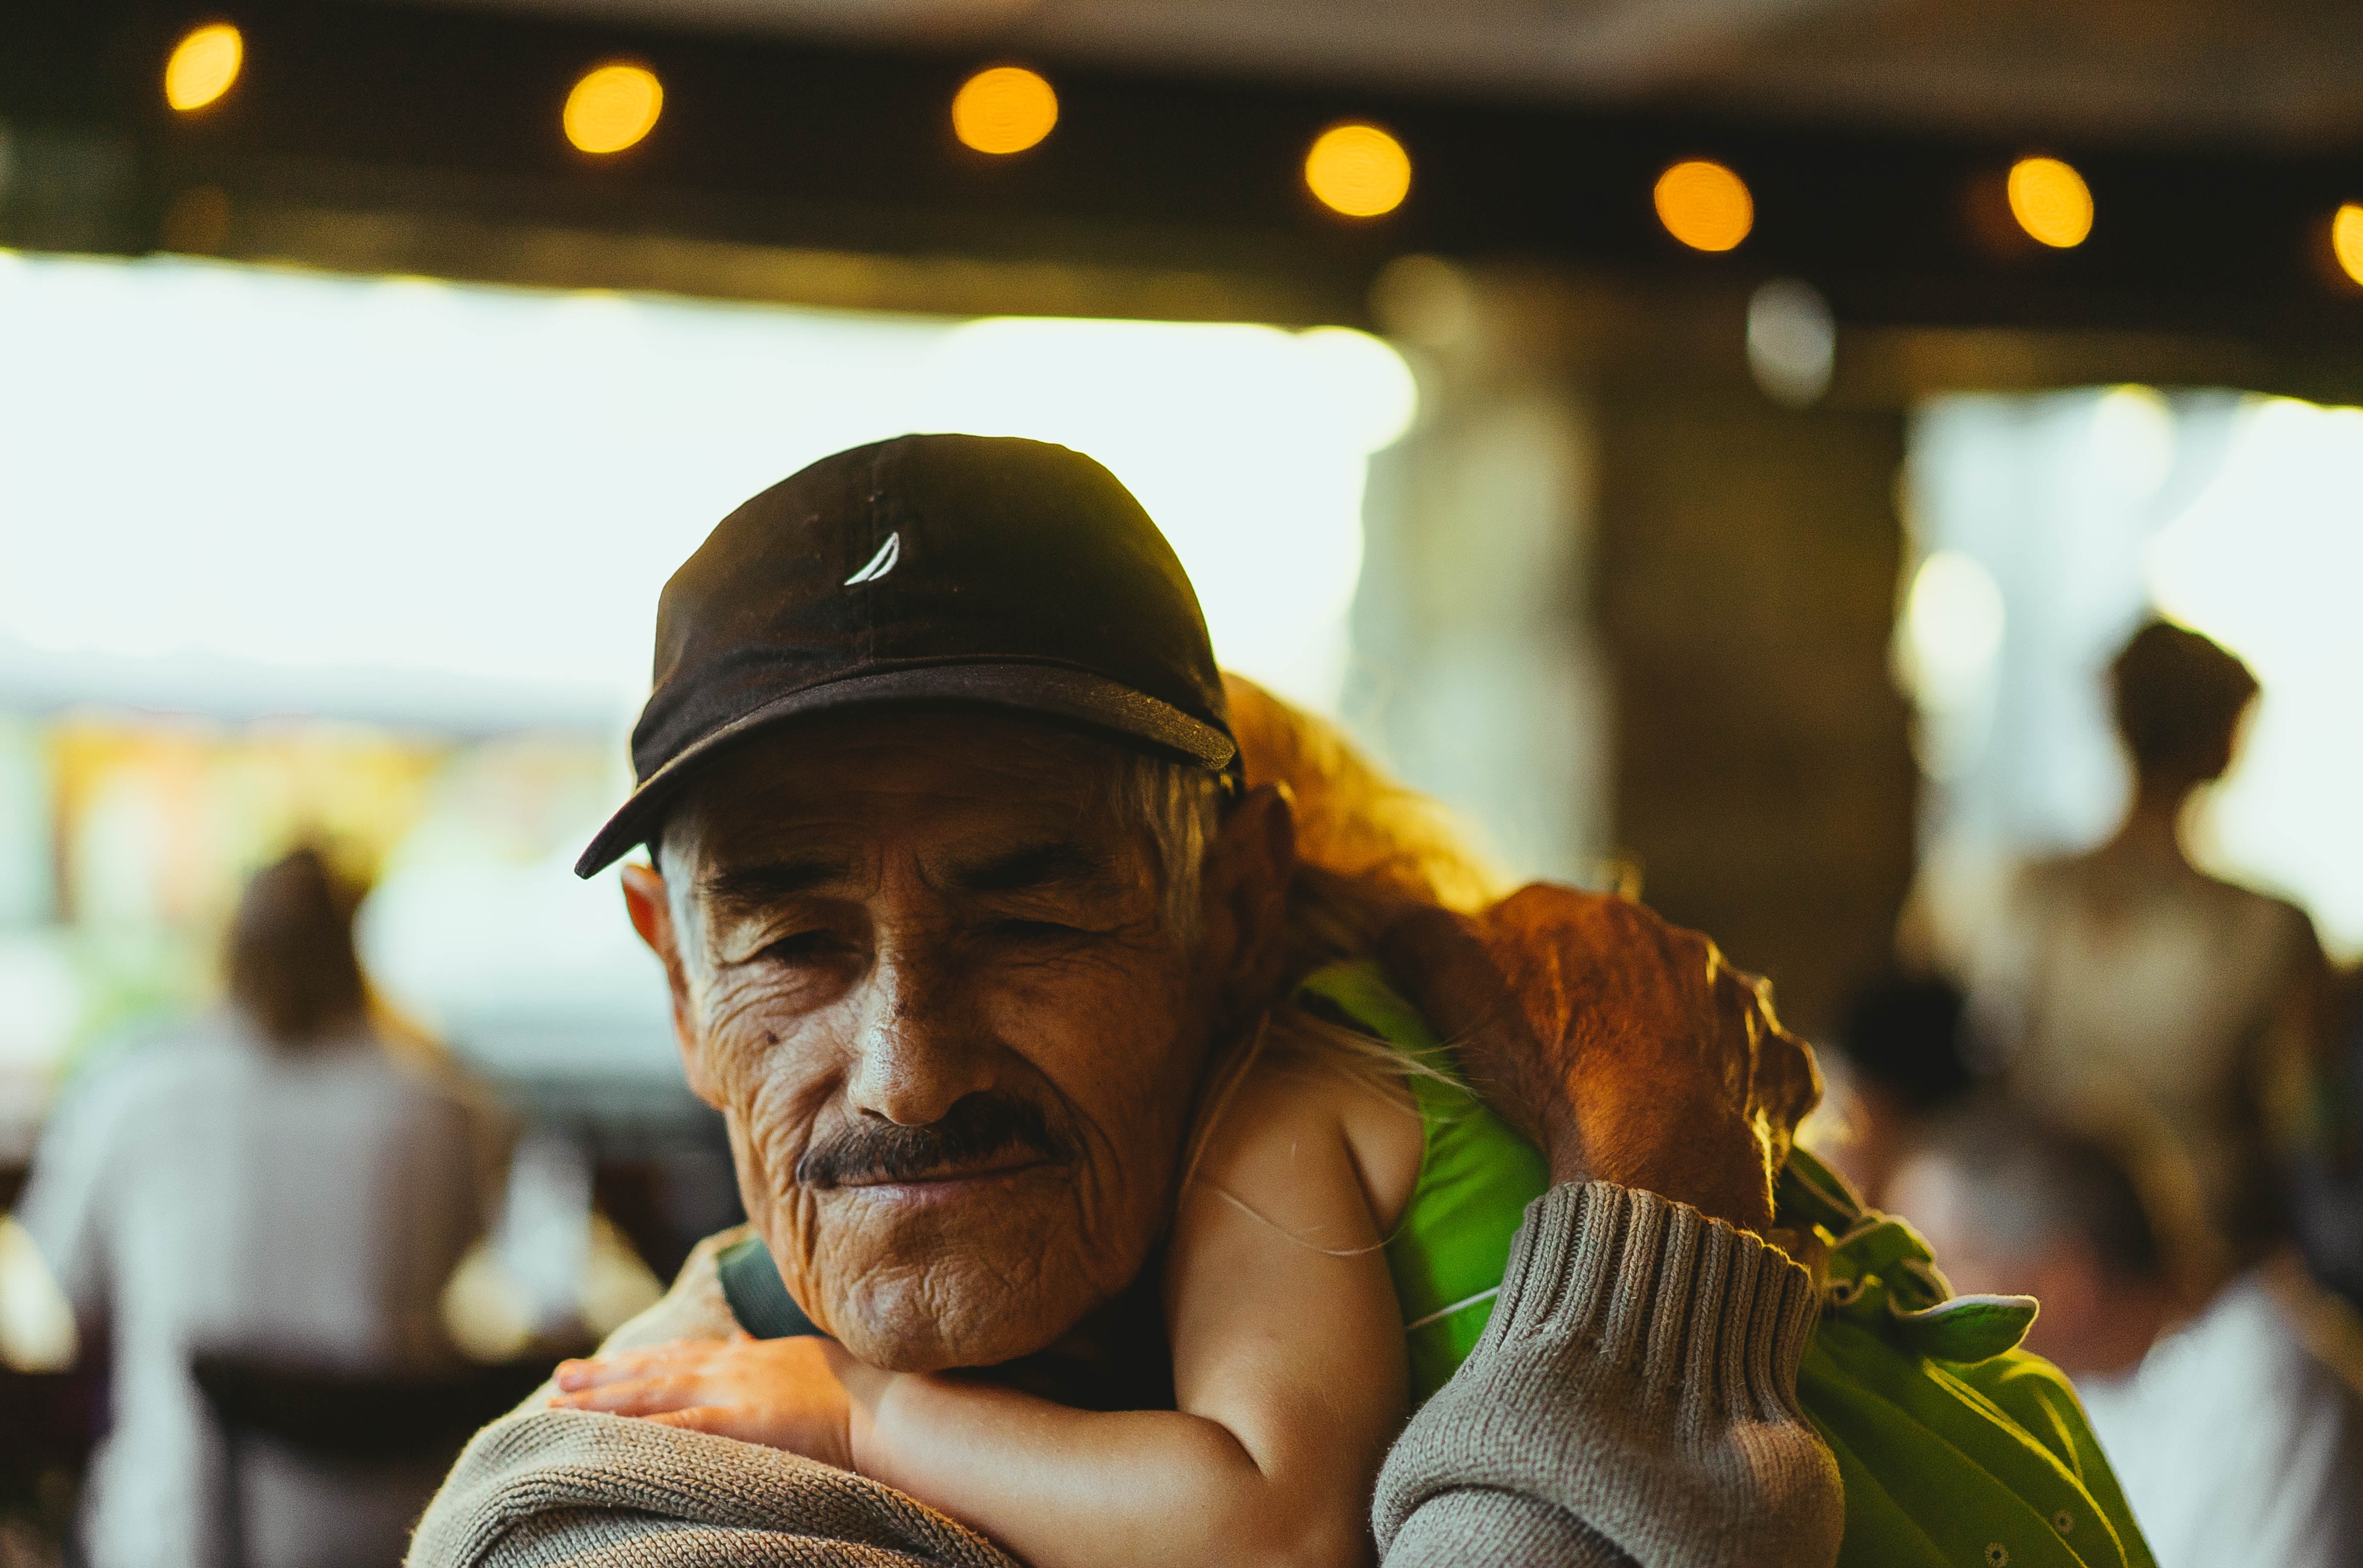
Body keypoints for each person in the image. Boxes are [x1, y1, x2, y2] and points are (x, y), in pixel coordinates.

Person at [411, 436, 2142, 1568]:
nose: (911, 1062)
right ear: (671, 970)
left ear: (1236, 907)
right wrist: (1660, 1200)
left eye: (1027, 902)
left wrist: (868, 1410)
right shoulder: (616, 1505)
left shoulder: (1279, 1116)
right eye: (793, 937)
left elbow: (1266, 1516)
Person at [16, 849, 489, 1568]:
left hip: (176, 1537)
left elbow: (63, 1296)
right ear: (353, 949)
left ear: (226, 947)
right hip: (396, 1537)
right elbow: (459, 1275)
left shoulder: (133, 1090)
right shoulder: (441, 1107)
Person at [1959, 621, 2331, 1283]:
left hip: (2038, 1261)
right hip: (2200, 1271)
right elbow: (2304, 1135)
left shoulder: (2029, 895)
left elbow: (1987, 1072)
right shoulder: (2267, 928)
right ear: (2224, 737)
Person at [1890, 1102, 2363, 1568]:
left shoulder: (2263, 1385)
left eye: (1936, 1271)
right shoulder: (2068, 1392)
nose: (1902, 1305)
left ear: (2063, 1286)